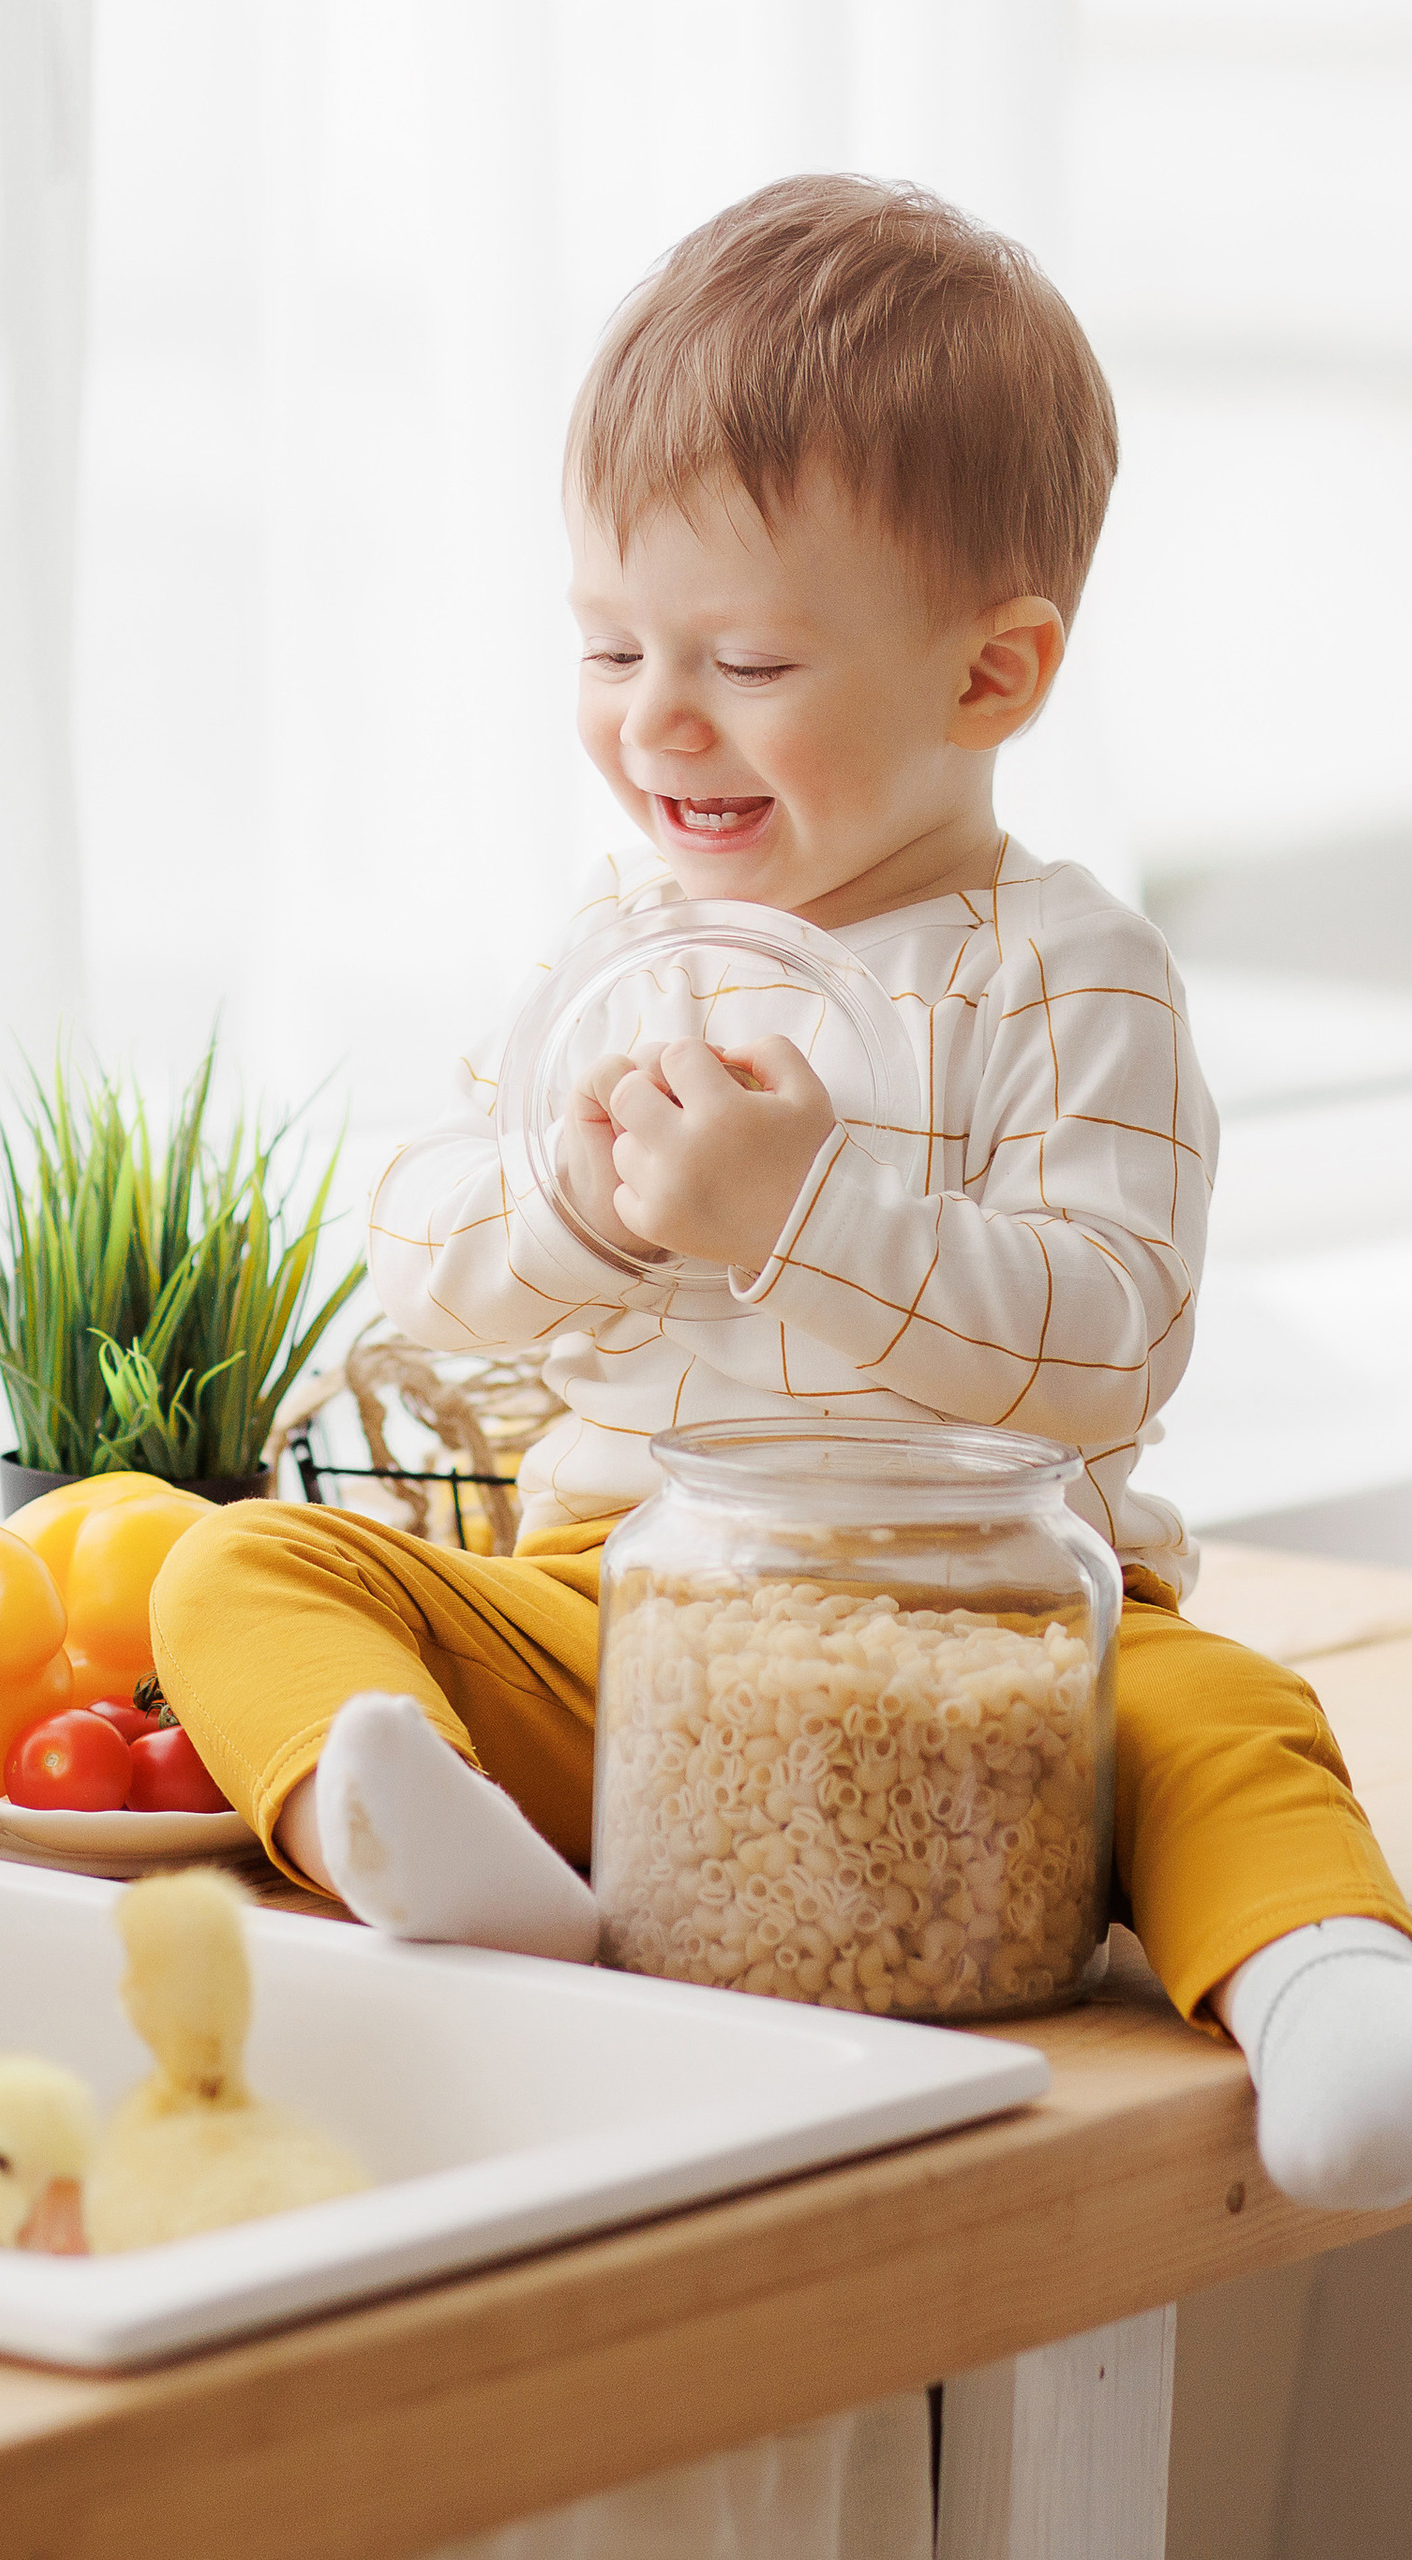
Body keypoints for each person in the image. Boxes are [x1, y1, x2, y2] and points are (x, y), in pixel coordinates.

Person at [151, 173, 1412, 2214]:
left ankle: (1317, 1980)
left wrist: (792, 1214)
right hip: (629, 1611)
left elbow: (1104, 1342)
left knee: (1217, 1716)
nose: (654, 718)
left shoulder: (1061, 969)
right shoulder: (615, 953)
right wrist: (575, 1205)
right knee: (231, 1573)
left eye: (740, 658)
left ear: (989, 676)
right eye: (608, 643)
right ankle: (433, 1834)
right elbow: (426, 1273)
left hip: (998, 1628)